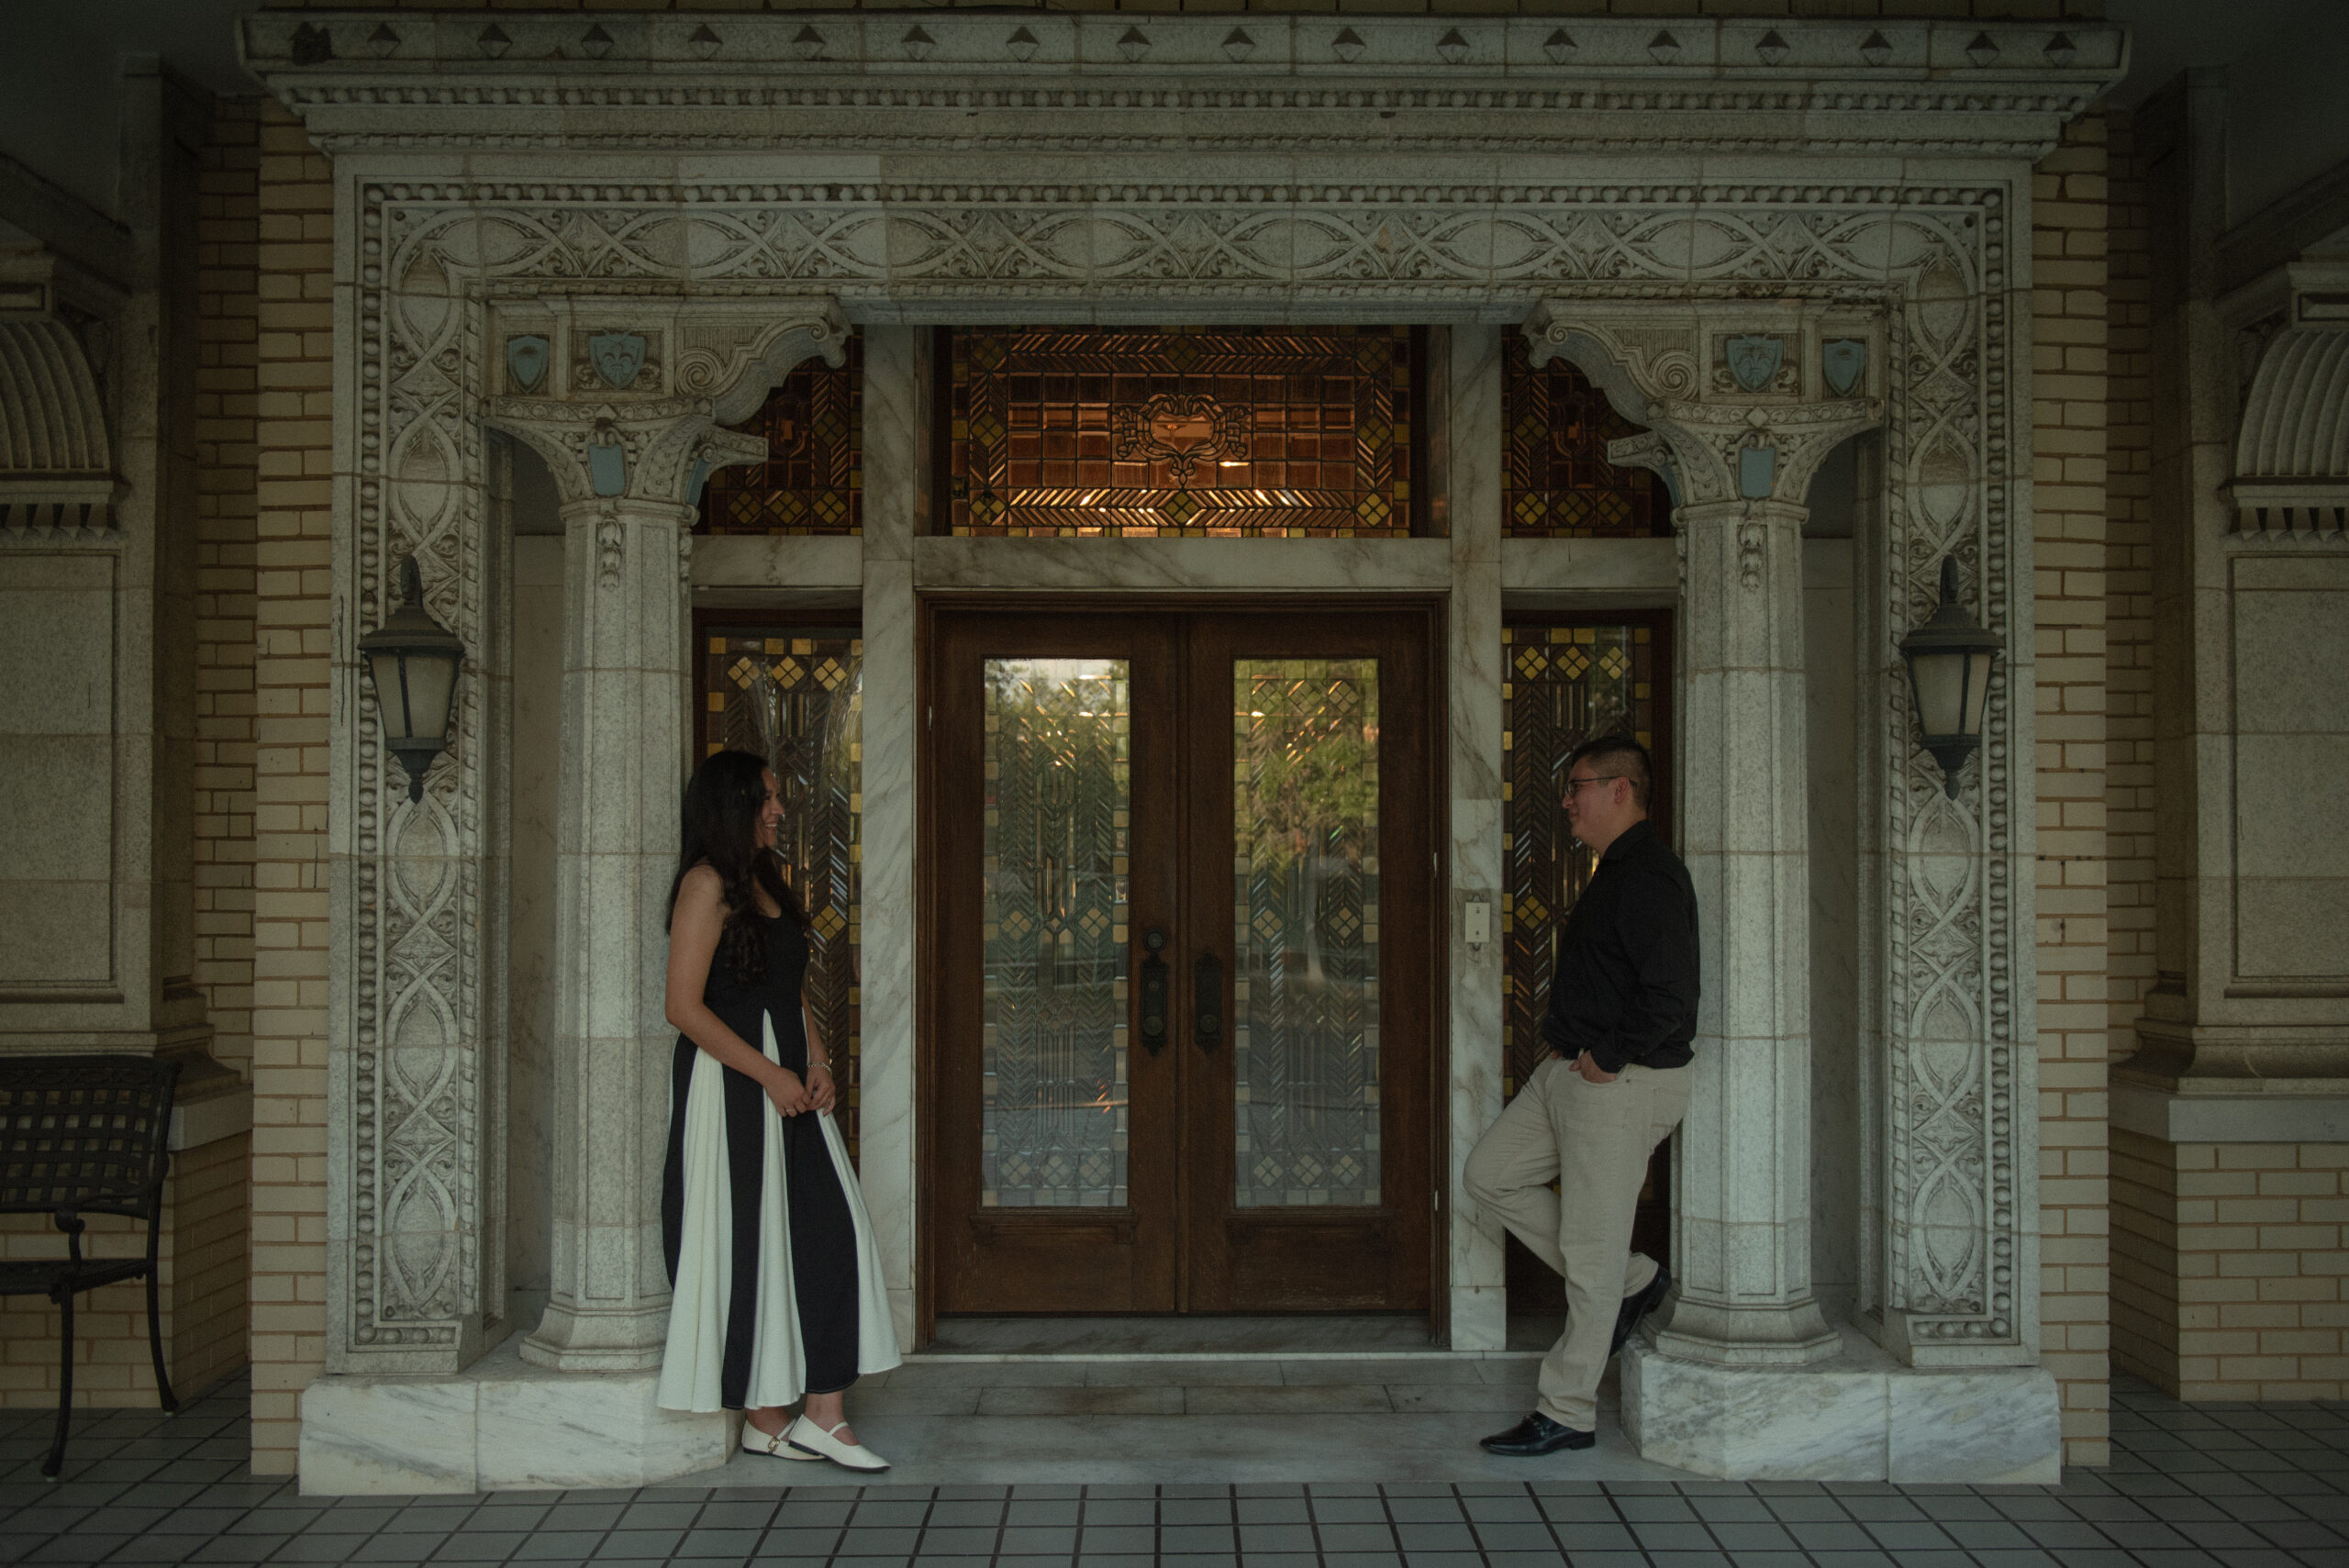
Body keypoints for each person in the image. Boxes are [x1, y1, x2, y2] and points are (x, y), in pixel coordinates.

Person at [657, 749, 900, 1470]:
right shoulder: (703, 886)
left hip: (788, 1080)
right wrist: (769, 1074)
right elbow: (682, 1006)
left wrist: (818, 1061)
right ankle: (773, 1416)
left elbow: (788, 989)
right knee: (748, 1243)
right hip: (733, 1091)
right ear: (732, 803)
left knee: (829, 1228)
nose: (778, 809)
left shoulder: (763, 879)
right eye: (765, 797)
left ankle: (813, 1411)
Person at [1464, 733, 1698, 1456]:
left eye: (1580, 786)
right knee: (1490, 1175)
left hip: (1616, 1081)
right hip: (1569, 1071)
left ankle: (1566, 1409)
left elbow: (1672, 993)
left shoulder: (1651, 874)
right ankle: (1634, 1279)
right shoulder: (1613, 870)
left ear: (1621, 789)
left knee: (1590, 1255)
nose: (1567, 800)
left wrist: (1607, 1056)